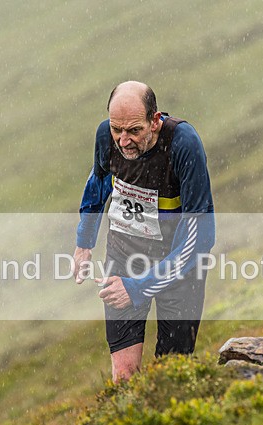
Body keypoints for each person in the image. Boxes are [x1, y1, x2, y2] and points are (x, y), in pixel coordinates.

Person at [72, 81, 215, 382]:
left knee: (170, 375)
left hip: (178, 266)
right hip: (124, 257)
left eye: (134, 131)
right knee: (124, 375)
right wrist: (84, 242)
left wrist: (138, 288)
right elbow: (98, 182)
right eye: (117, 130)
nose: (123, 141)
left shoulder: (183, 144)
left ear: (155, 120)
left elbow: (201, 238)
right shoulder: (106, 135)